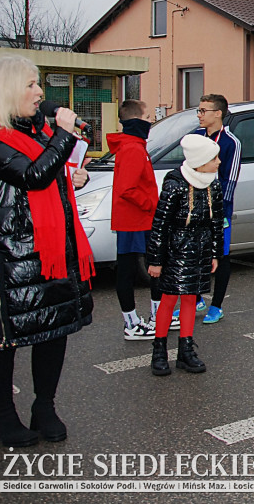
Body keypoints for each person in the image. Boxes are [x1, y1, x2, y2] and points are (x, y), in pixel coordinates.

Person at [0, 56, 94, 447]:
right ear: (6, 90)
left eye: (39, 85)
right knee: (4, 340)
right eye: (31, 85)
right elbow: (32, 176)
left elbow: (48, 172)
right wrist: (62, 136)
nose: (40, 94)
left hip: (51, 253)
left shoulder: (39, 132)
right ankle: (1, 413)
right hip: (9, 257)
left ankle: (44, 406)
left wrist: (73, 177)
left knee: (54, 329)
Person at [147, 134, 224, 376]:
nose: (219, 162)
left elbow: (216, 223)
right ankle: (159, 350)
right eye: (214, 158)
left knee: (191, 298)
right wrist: (156, 260)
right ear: (200, 161)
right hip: (175, 249)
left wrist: (215, 254)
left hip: (200, 249)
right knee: (169, 298)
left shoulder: (213, 183)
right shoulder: (175, 183)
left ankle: (186, 350)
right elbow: (160, 224)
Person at [107, 99, 164, 341]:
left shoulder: (134, 145)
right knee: (129, 271)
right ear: (138, 120)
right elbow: (127, 189)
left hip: (139, 219)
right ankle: (132, 323)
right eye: (149, 115)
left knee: (154, 266)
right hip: (134, 220)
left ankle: (157, 316)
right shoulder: (132, 148)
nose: (152, 119)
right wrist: (152, 204)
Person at [194, 94, 241, 325]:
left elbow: (229, 181)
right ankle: (196, 297)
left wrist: (218, 211)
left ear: (218, 113)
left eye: (204, 110)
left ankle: (217, 306)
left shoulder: (231, 142)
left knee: (220, 256)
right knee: (195, 253)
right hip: (195, 208)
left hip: (219, 211)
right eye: (199, 110)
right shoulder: (195, 137)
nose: (200, 115)